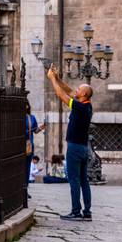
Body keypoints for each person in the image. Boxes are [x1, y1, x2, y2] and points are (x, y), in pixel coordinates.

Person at [47, 65, 94, 221]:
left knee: (74, 179)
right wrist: (58, 78)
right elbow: (68, 91)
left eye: (79, 89)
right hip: (83, 148)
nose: (76, 90)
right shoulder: (87, 106)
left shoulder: (80, 107)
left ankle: (76, 211)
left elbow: (62, 96)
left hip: (74, 147)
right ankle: (87, 212)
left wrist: (52, 79)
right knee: (84, 180)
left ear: (84, 94)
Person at [25, 104, 43, 189]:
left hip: (28, 145)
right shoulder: (16, 117)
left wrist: (41, 127)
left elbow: (35, 131)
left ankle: (25, 188)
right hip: (17, 145)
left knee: (27, 166)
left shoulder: (31, 117)